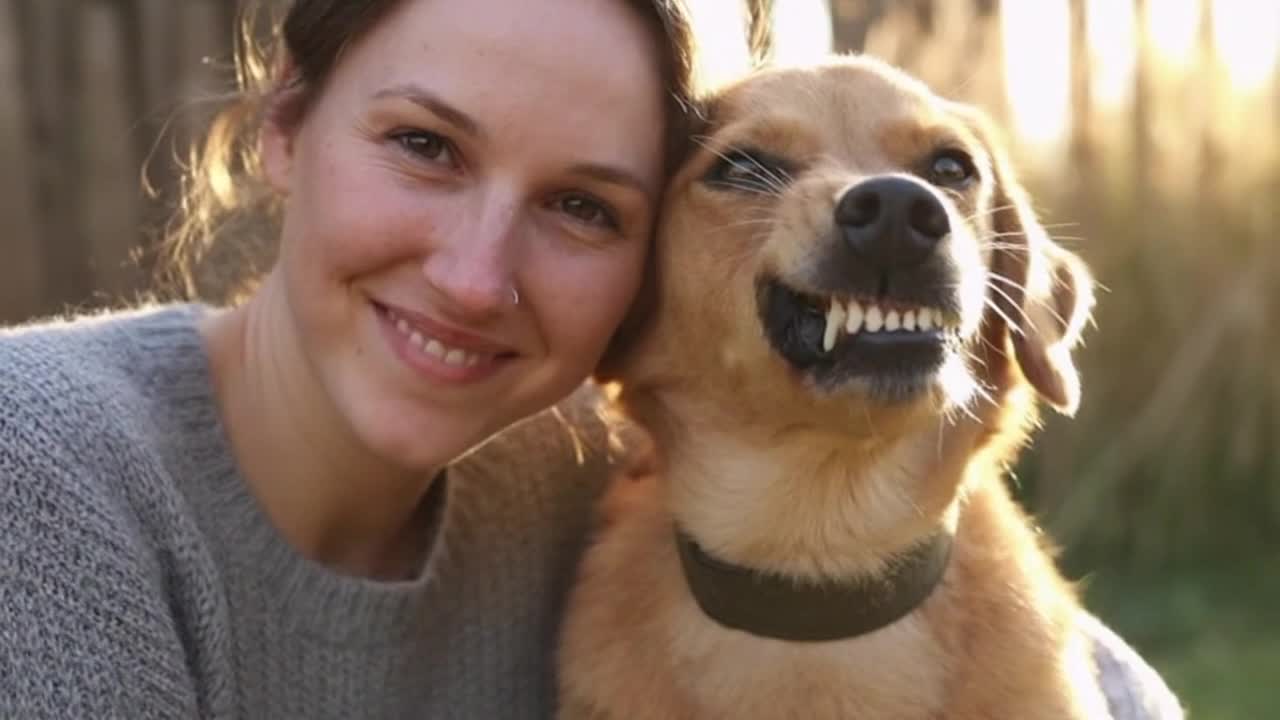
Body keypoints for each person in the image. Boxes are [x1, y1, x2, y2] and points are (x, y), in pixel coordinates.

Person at [0, 0, 697, 717]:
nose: (475, 282)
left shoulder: (593, 497)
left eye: (582, 207)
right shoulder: (34, 466)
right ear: (287, 120)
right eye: (425, 146)